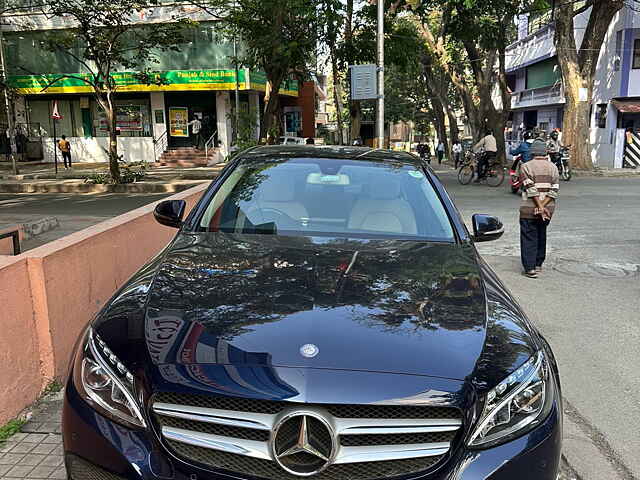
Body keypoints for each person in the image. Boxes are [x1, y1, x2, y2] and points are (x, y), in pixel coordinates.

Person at [519, 139, 560, 279]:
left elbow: (530, 189)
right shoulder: (553, 167)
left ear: (532, 152)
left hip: (529, 209)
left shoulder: (526, 167)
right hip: (548, 209)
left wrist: (539, 206)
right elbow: (554, 190)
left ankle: (530, 268)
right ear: (545, 152)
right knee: (541, 234)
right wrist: (544, 207)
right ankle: (538, 264)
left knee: (529, 236)